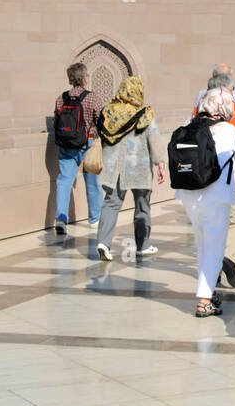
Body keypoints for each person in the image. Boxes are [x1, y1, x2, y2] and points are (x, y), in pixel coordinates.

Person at [174, 86, 235, 317]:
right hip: (216, 195)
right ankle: (204, 301)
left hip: (188, 192)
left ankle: (208, 290)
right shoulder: (229, 130)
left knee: (203, 244)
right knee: (214, 247)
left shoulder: (187, 126)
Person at [95, 77, 166, 263]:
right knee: (142, 205)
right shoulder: (145, 114)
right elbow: (154, 139)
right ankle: (142, 245)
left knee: (111, 203)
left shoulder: (109, 112)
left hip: (114, 167)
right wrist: (160, 163)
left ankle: (103, 242)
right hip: (139, 166)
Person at [53, 62, 103, 235]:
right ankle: (95, 219)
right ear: (83, 78)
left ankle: (61, 218)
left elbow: (56, 121)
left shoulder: (61, 98)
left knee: (64, 180)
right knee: (92, 183)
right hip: (86, 144)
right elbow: (102, 120)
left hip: (66, 145)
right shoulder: (92, 97)